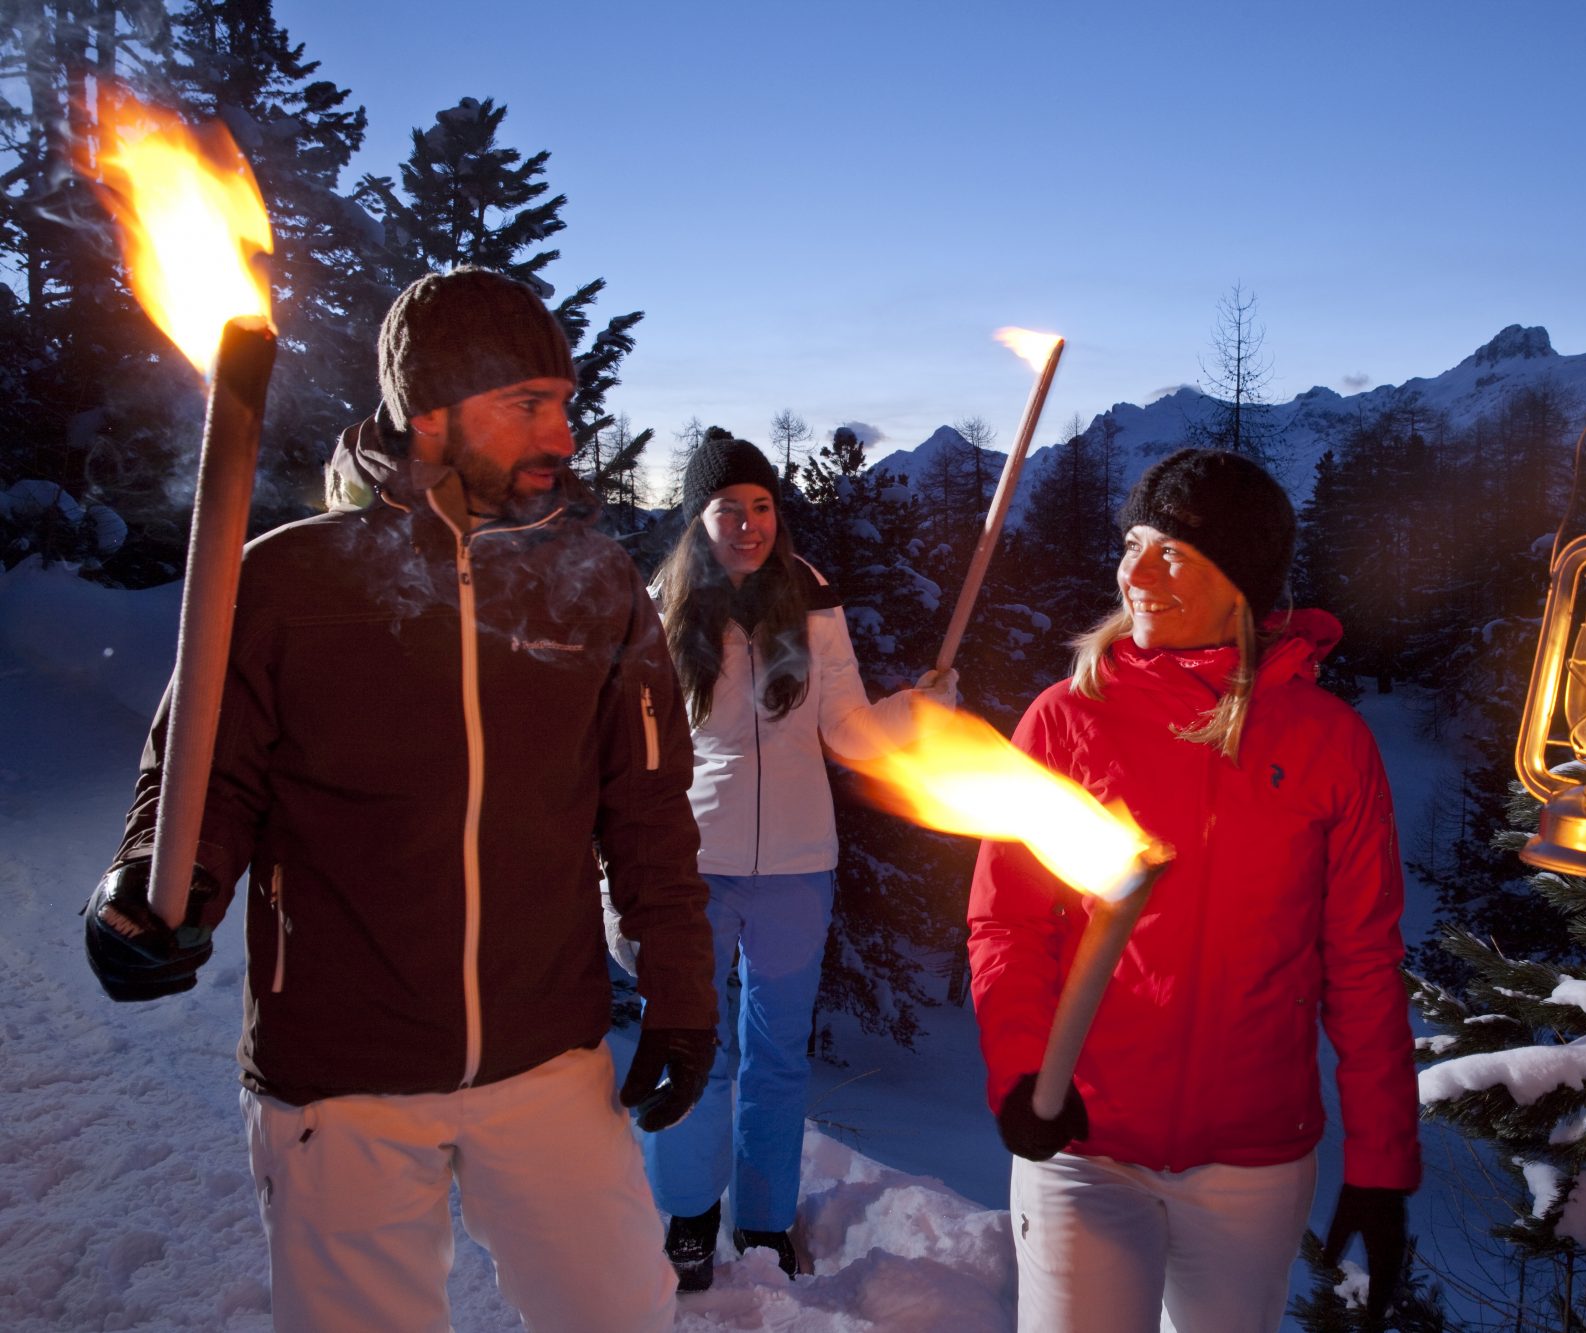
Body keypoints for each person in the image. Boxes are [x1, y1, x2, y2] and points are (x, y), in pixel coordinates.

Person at [82, 267, 718, 1333]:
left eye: (564, 400)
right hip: (343, 1078)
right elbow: (200, 779)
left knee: (620, 1315)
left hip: (545, 1055)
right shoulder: (286, 582)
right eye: (528, 403)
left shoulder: (595, 582)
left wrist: (681, 989)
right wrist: (153, 890)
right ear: (430, 412)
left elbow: (646, 812)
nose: (562, 429)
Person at [966, 448, 1421, 1332]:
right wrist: (1025, 1073)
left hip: (1251, 1164)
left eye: (1171, 551)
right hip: (1083, 1145)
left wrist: (1382, 1160)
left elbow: (1363, 963)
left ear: (1242, 583)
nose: (1134, 572)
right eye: (1134, 541)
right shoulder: (1064, 718)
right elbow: (1007, 925)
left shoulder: (1329, 743)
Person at [607, 427, 956, 1292]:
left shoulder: (809, 600)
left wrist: (919, 710)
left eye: (763, 505)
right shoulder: (661, 606)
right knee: (696, 1041)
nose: (751, 522)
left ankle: (763, 1223)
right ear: (700, 520)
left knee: (777, 1055)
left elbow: (848, 731)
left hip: (800, 863)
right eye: (731, 509)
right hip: (695, 862)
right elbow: (636, 751)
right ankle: (686, 1219)